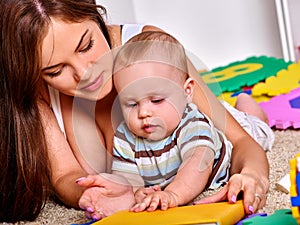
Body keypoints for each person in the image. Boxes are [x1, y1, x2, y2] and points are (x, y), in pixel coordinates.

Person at [0, 0, 273, 222]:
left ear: (96, 17)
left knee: (255, 125)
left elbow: (240, 141)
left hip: (206, 135)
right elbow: (65, 177)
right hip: (156, 164)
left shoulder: (149, 48)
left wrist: (253, 175)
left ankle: (247, 104)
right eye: (57, 70)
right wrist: (89, 194)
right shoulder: (39, 93)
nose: (85, 74)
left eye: (86, 46)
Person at [110, 31, 274, 212]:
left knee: (257, 129)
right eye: (131, 104)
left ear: (187, 91)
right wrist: (135, 191)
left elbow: (197, 165)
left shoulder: (193, 125)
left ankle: (248, 105)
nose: (143, 112)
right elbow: (125, 175)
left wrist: (173, 194)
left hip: (233, 140)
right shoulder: (125, 135)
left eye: (156, 100)